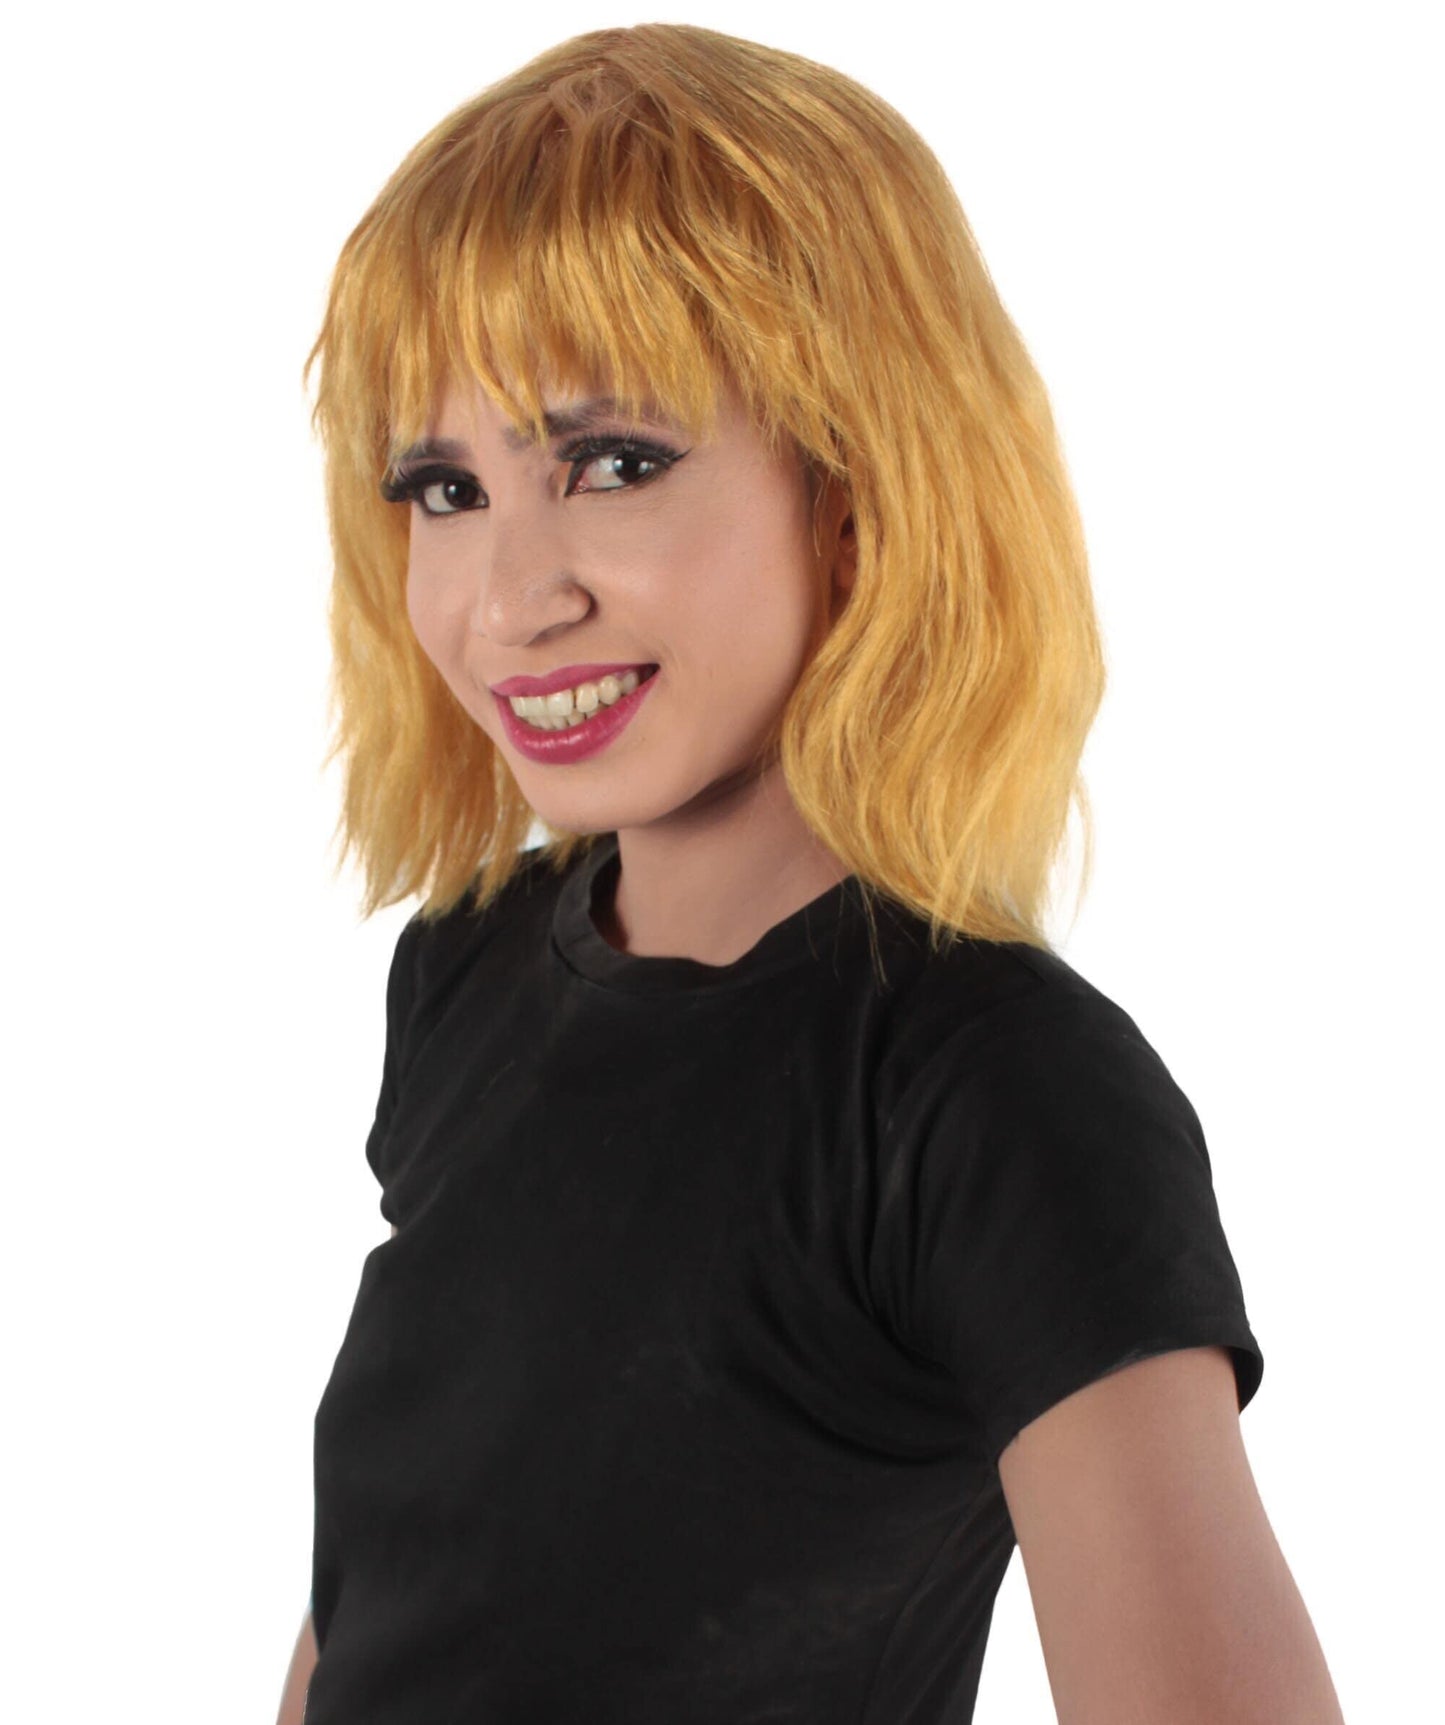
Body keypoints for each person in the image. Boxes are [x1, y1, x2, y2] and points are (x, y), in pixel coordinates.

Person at [277, 24, 1345, 1725]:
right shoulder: (467, 973)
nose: (506, 598)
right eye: (443, 487)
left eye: (613, 464)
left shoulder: (989, 1090)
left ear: (855, 491)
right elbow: (399, 1583)